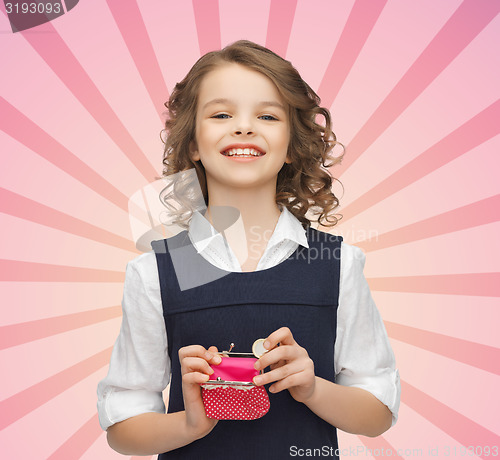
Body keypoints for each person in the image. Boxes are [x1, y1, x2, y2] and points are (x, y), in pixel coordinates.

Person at [96, 40, 400, 459]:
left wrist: (312, 388)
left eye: (267, 115)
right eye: (221, 114)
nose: (243, 127)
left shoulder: (336, 264)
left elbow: (378, 412)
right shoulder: (157, 272)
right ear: (192, 144)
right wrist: (188, 424)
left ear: (293, 144)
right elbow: (122, 428)